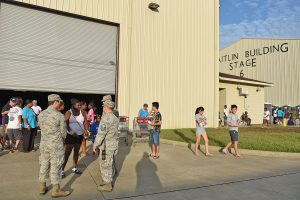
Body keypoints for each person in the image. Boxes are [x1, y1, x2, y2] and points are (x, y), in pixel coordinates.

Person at [38, 94, 70, 197]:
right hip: (55, 145)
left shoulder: (41, 114)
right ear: (55, 102)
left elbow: (41, 128)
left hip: (44, 144)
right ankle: (56, 190)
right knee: (55, 166)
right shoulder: (59, 115)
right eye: (59, 102)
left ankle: (42, 187)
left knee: (44, 164)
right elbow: (64, 133)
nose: (60, 104)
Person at [93, 100, 119, 192]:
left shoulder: (106, 118)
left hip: (105, 146)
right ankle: (106, 180)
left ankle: (108, 184)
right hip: (112, 145)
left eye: (104, 106)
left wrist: (95, 145)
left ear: (106, 107)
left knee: (105, 163)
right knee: (109, 162)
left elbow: (101, 134)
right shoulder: (115, 117)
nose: (103, 108)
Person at [61, 98, 89, 178]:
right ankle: (62, 170)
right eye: (78, 105)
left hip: (80, 135)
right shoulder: (68, 113)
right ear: (73, 105)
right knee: (67, 153)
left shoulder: (83, 112)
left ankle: (74, 168)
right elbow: (65, 125)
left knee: (76, 152)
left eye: (80, 105)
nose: (80, 106)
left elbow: (85, 122)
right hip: (70, 135)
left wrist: (87, 130)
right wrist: (72, 133)